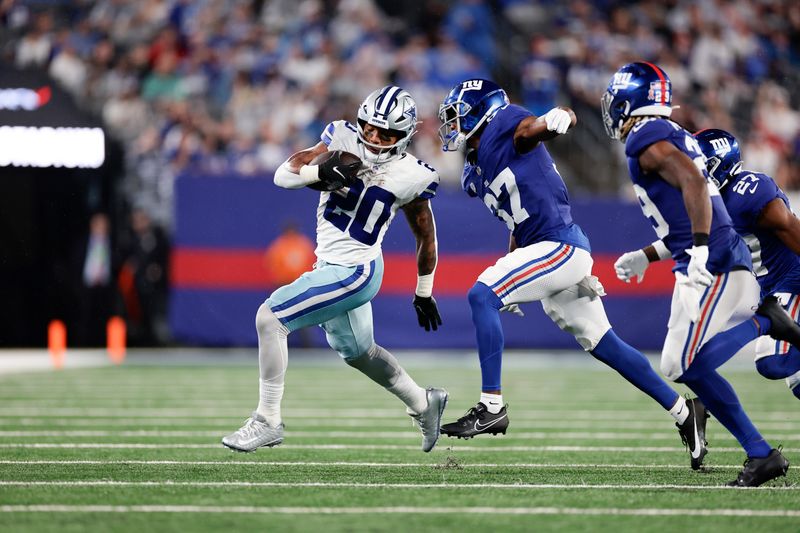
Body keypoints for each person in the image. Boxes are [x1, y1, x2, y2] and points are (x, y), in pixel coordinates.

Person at [434, 78, 709, 470]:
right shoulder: (474, 170)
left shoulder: (507, 125)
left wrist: (558, 116)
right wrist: (511, 265)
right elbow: (519, 220)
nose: (452, 124)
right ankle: (685, 412)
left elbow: (534, 129)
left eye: (457, 115)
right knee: (604, 343)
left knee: (481, 294)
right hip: (543, 247)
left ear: (482, 111)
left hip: (559, 247)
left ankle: (491, 405)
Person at [222, 85, 448, 453]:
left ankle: (267, 420)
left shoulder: (414, 174)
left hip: (355, 270)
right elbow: (284, 174)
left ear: (403, 135)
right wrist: (319, 173)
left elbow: (426, 235)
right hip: (330, 262)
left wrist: (424, 290)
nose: (373, 138)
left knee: (270, 318)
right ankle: (424, 402)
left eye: (385, 132)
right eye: (369, 127)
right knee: (360, 353)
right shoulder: (341, 136)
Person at [604, 62, 794, 486]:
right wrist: (649, 255)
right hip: (706, 258)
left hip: (717, 264)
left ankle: (768, 322)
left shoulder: (645, 135)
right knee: (678, 364)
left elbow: (692, 181)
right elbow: (689, 207)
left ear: (633, 102)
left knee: (681, 364)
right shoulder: (671, 134)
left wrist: (701, 251)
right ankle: (761, 454)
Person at [694, 128, 800, 400]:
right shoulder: (711, 201)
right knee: (797, 379)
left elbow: (790, 226)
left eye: (700, 166)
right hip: (773, 285)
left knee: (772, 360)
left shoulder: (747, 190)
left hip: (793, 277)